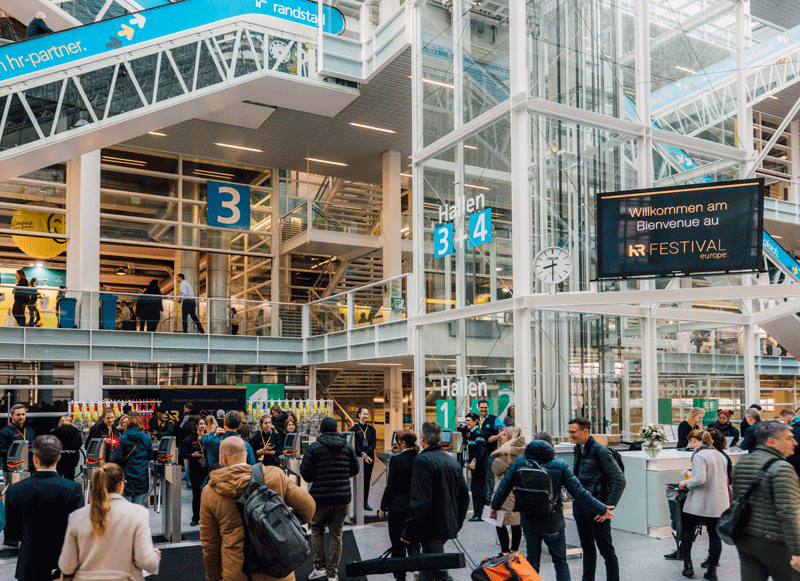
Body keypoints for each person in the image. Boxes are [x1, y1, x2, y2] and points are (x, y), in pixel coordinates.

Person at [491, 437, 613, 581]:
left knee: (532, 560)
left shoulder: (519, 462)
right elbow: (579, 492)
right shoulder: (560, 465)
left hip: (529, 520)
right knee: (560, 561)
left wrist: (494, 507)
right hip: (553, 521)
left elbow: (504, 487)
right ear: (551, 448)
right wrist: (601, 508)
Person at [200, 436, 316, 581]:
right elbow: (309, 507)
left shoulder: (210, 491)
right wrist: (288, 523)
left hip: (236, 572)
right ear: (247, 455)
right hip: (277, 568)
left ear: (223, 458)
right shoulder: (274, 475)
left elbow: (210, 543)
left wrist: (213, 576)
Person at [58, 463, 161, 580]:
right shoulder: (138, 514)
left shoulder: (76, 517)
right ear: (121, 486)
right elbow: (146, 561)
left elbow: (67, 566)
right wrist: (155, 556)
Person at [5, 435, 83, 581]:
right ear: (58, 458)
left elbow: (13, 534)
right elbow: (78, 530)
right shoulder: (73, 489)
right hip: (62, 563)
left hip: (28, 565)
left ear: (34, 458)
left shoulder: (15, 489)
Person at [731, 420, 800, 581]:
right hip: (776, 544)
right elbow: (789, 512)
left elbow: (737, 502)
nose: (795, 442)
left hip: (745, 540)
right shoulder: (782, 468)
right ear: (772, 441)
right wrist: (797, 551)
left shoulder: (742, 463)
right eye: (789, 438)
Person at [401, 421, 470, 581]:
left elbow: (421, 502)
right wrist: (457, 523)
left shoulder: (423, 461)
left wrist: (408, 531)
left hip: (430, 526)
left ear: (422, 438)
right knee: (429, 568)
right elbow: (464, 497)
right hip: (446, 524)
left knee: (438, 571)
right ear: (440, 439)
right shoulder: (452, 461)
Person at [300, 416, 360, 581]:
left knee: (317, 531)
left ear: (322, 430)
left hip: (320, 499)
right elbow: (355, 469)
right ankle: (333, 574)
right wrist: (341, 475)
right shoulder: (347, 447)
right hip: (342, 498)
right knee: (336, 534)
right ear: (336, 429)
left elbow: (306, 475)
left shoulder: (314, 448)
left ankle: (319, 568)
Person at [569, 417, 626, 581]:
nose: (571, 435)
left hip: (598, 507)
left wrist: (607, 507)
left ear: (585, 431)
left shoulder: (601, 452)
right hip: (580, 505)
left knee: (606, 549)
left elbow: (619, 479)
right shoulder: (577, 449)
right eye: (570, 432)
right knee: (586, 546)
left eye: (573, 432)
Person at [676, 430, 730, 580]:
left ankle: (688, 567)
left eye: (690, 442)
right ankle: (712, 571)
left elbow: (700, 479)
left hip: (700, 500)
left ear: (694, 440)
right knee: (714, 535)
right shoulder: (720, 455)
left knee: (687, 530)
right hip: (718, 501)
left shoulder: (699, 455)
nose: (690, 445)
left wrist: (685, 482)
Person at [379, 429, 420, 581]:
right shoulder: (420, 458)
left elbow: (391, 486)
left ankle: (400, 576)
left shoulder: (396, 460)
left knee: (397, 544)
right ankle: (416, 567)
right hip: (415, 507)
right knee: (414, 541)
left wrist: (383, 507)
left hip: (398, 508)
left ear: (402, 443)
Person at [490, 426, 525, 554]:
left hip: (504, 490)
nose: (501, 437)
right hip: (518, 490)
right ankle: (514, 549)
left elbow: (495, 469)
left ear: (510, 437)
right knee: (516, 521)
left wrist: (494, 462)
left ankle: (504, 551)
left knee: (499, 520)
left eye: (504, 435)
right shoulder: (522, 450)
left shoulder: (506, 452)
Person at [109, 412, 153, 507]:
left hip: (126, 475)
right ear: (140, 424)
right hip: (141, 475)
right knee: (138, 503)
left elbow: (117, 458)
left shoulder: (123, 438)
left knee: (125, 504)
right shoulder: (146, 438)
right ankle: (137, 521)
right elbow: (150, 456)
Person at [182, 416, 208, 526]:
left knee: (208, 495)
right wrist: (192, 455)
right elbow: (183, 454)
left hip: (206, 469)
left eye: (204, 424)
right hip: (195, 470)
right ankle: (195, 518)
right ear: (196, 425)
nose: (203, 426)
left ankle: (207, 518)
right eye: (201, 424)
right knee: (196, 495)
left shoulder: (209, 438)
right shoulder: (189, 439)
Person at [478, 399, 506, 501]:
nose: (483, 409)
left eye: (485, 407)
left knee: (489, 476)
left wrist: (496, 437)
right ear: (478, 408)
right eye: (482, 407)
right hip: (479, 454)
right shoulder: (476, 420)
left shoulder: (494, 419)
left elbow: (505, 430)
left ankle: (499, 495)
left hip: (490, 453)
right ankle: (488, 498)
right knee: (483, 477)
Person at [464, 412, 487, 521]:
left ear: (475, 421)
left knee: (477, 489)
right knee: (476, 488)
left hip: (479, 466)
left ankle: (479, 514)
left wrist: (474, 460)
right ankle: (478, 513)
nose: (466, 423)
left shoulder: (478, 432)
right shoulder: (473, 433)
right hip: (477, 465)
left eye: (469, 420)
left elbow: (481, 448)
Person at [353, 407, 377, 511]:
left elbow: (373, 443)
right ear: (359, 415)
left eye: (367, 414)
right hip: (358, 457)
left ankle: (365, 502)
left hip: (370, 457)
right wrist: (362, 454)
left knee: (367, 479)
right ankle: (358, 501)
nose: (366, 416)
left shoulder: (371, 429)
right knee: (358, 480)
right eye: (364, 414)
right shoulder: (354, 429)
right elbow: (355, 444)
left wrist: (367, 454)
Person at [0, 404, 35, 474]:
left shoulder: (30, 430)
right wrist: (20, 452)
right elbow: (1, 450)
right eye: (18, 415)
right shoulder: (5, 431)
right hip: (12, 469)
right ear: (12, 416)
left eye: (23, 414)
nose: (21, 417)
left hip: (30, 468)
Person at [52, 415, 83, 480]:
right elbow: (79, 444)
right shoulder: (76, 431)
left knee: (58, 478)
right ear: (71, 422)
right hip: (72, 458)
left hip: (58, 458)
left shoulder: (55, 431)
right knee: (70, 477)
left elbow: (51, 445)